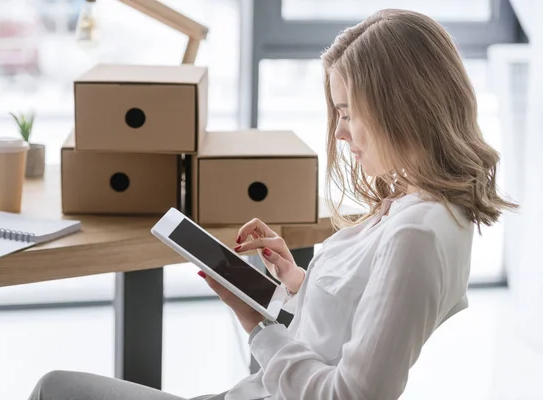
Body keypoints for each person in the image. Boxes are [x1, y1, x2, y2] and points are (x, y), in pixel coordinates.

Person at [27, 8, 518, 400]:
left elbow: (352, 395)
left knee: (55, 388)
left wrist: (258, 326)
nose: (341, 131)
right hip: (250, 391)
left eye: (348, 113)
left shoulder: (417, 233)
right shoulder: (417, 203)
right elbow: (357, 316)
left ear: (400, 107)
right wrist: (296, 283)